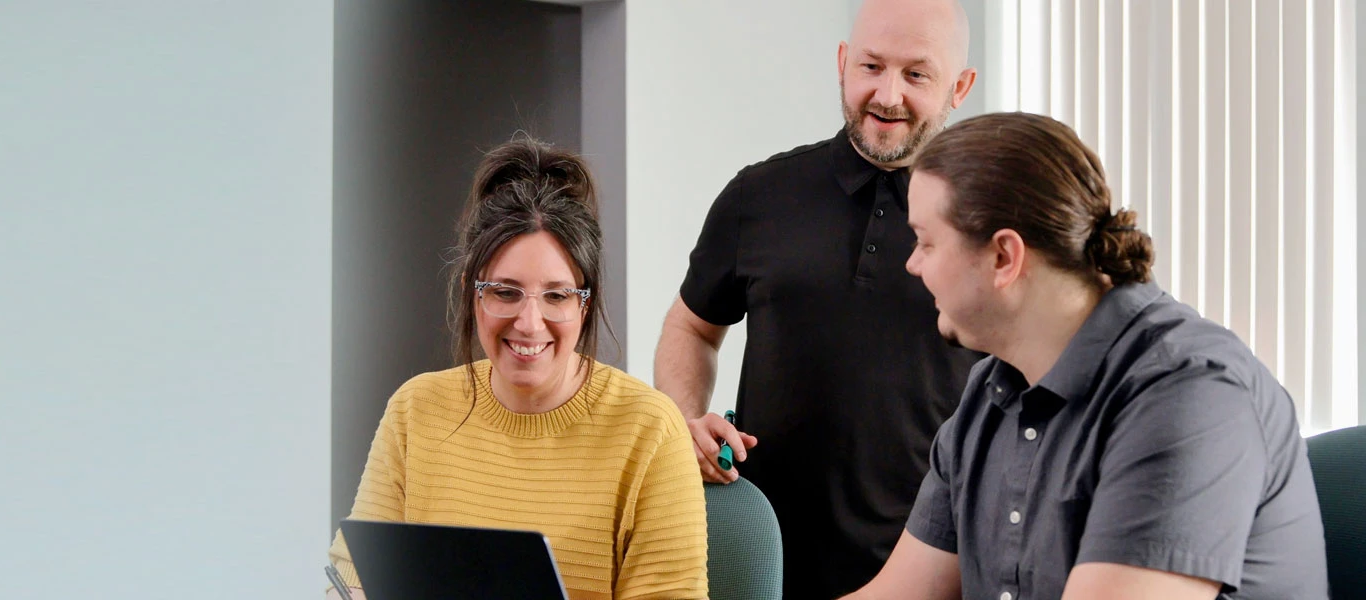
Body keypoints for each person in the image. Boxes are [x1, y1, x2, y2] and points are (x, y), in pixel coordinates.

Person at [841, 112, 1327, 599]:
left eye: (926, 242)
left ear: (1004, 257)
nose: (912, 264)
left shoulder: (1190, 394)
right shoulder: (990, 395)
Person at [653, 0, 983, 595]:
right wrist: (685, 420)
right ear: (842, 63)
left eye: (916, 74)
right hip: (765, 570)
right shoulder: (759, 195)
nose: (887, 95)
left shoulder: (989, 222)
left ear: (959, 87)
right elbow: (691, 327)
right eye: (871, 66)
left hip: (937, 575)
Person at [328, 138, 707, 600]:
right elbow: (350, 582)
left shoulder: (650, 430)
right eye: (505, 292)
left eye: (557, 295)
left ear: (585, 305)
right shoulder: (416, 410)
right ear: (472, 293)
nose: (529, 323)